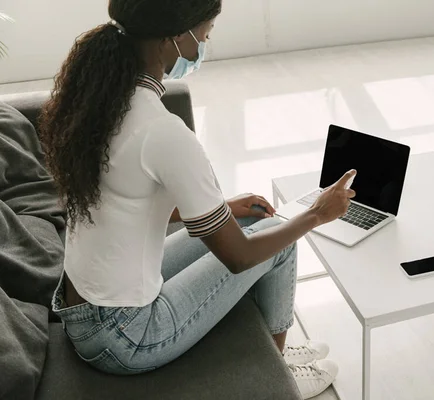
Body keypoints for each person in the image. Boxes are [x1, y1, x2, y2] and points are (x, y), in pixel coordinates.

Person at [38, 0, 356, 398]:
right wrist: (315, 214)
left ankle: (281, 356)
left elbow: (126, 197)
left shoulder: (101, 98)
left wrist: (222, 209)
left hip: (83, 309)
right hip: (122, 337)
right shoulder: (161, 129)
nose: (204, 44)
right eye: (204, 34)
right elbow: (237, 256)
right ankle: (281, 377)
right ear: (174, 39)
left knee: (249, 218)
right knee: (282, 238)